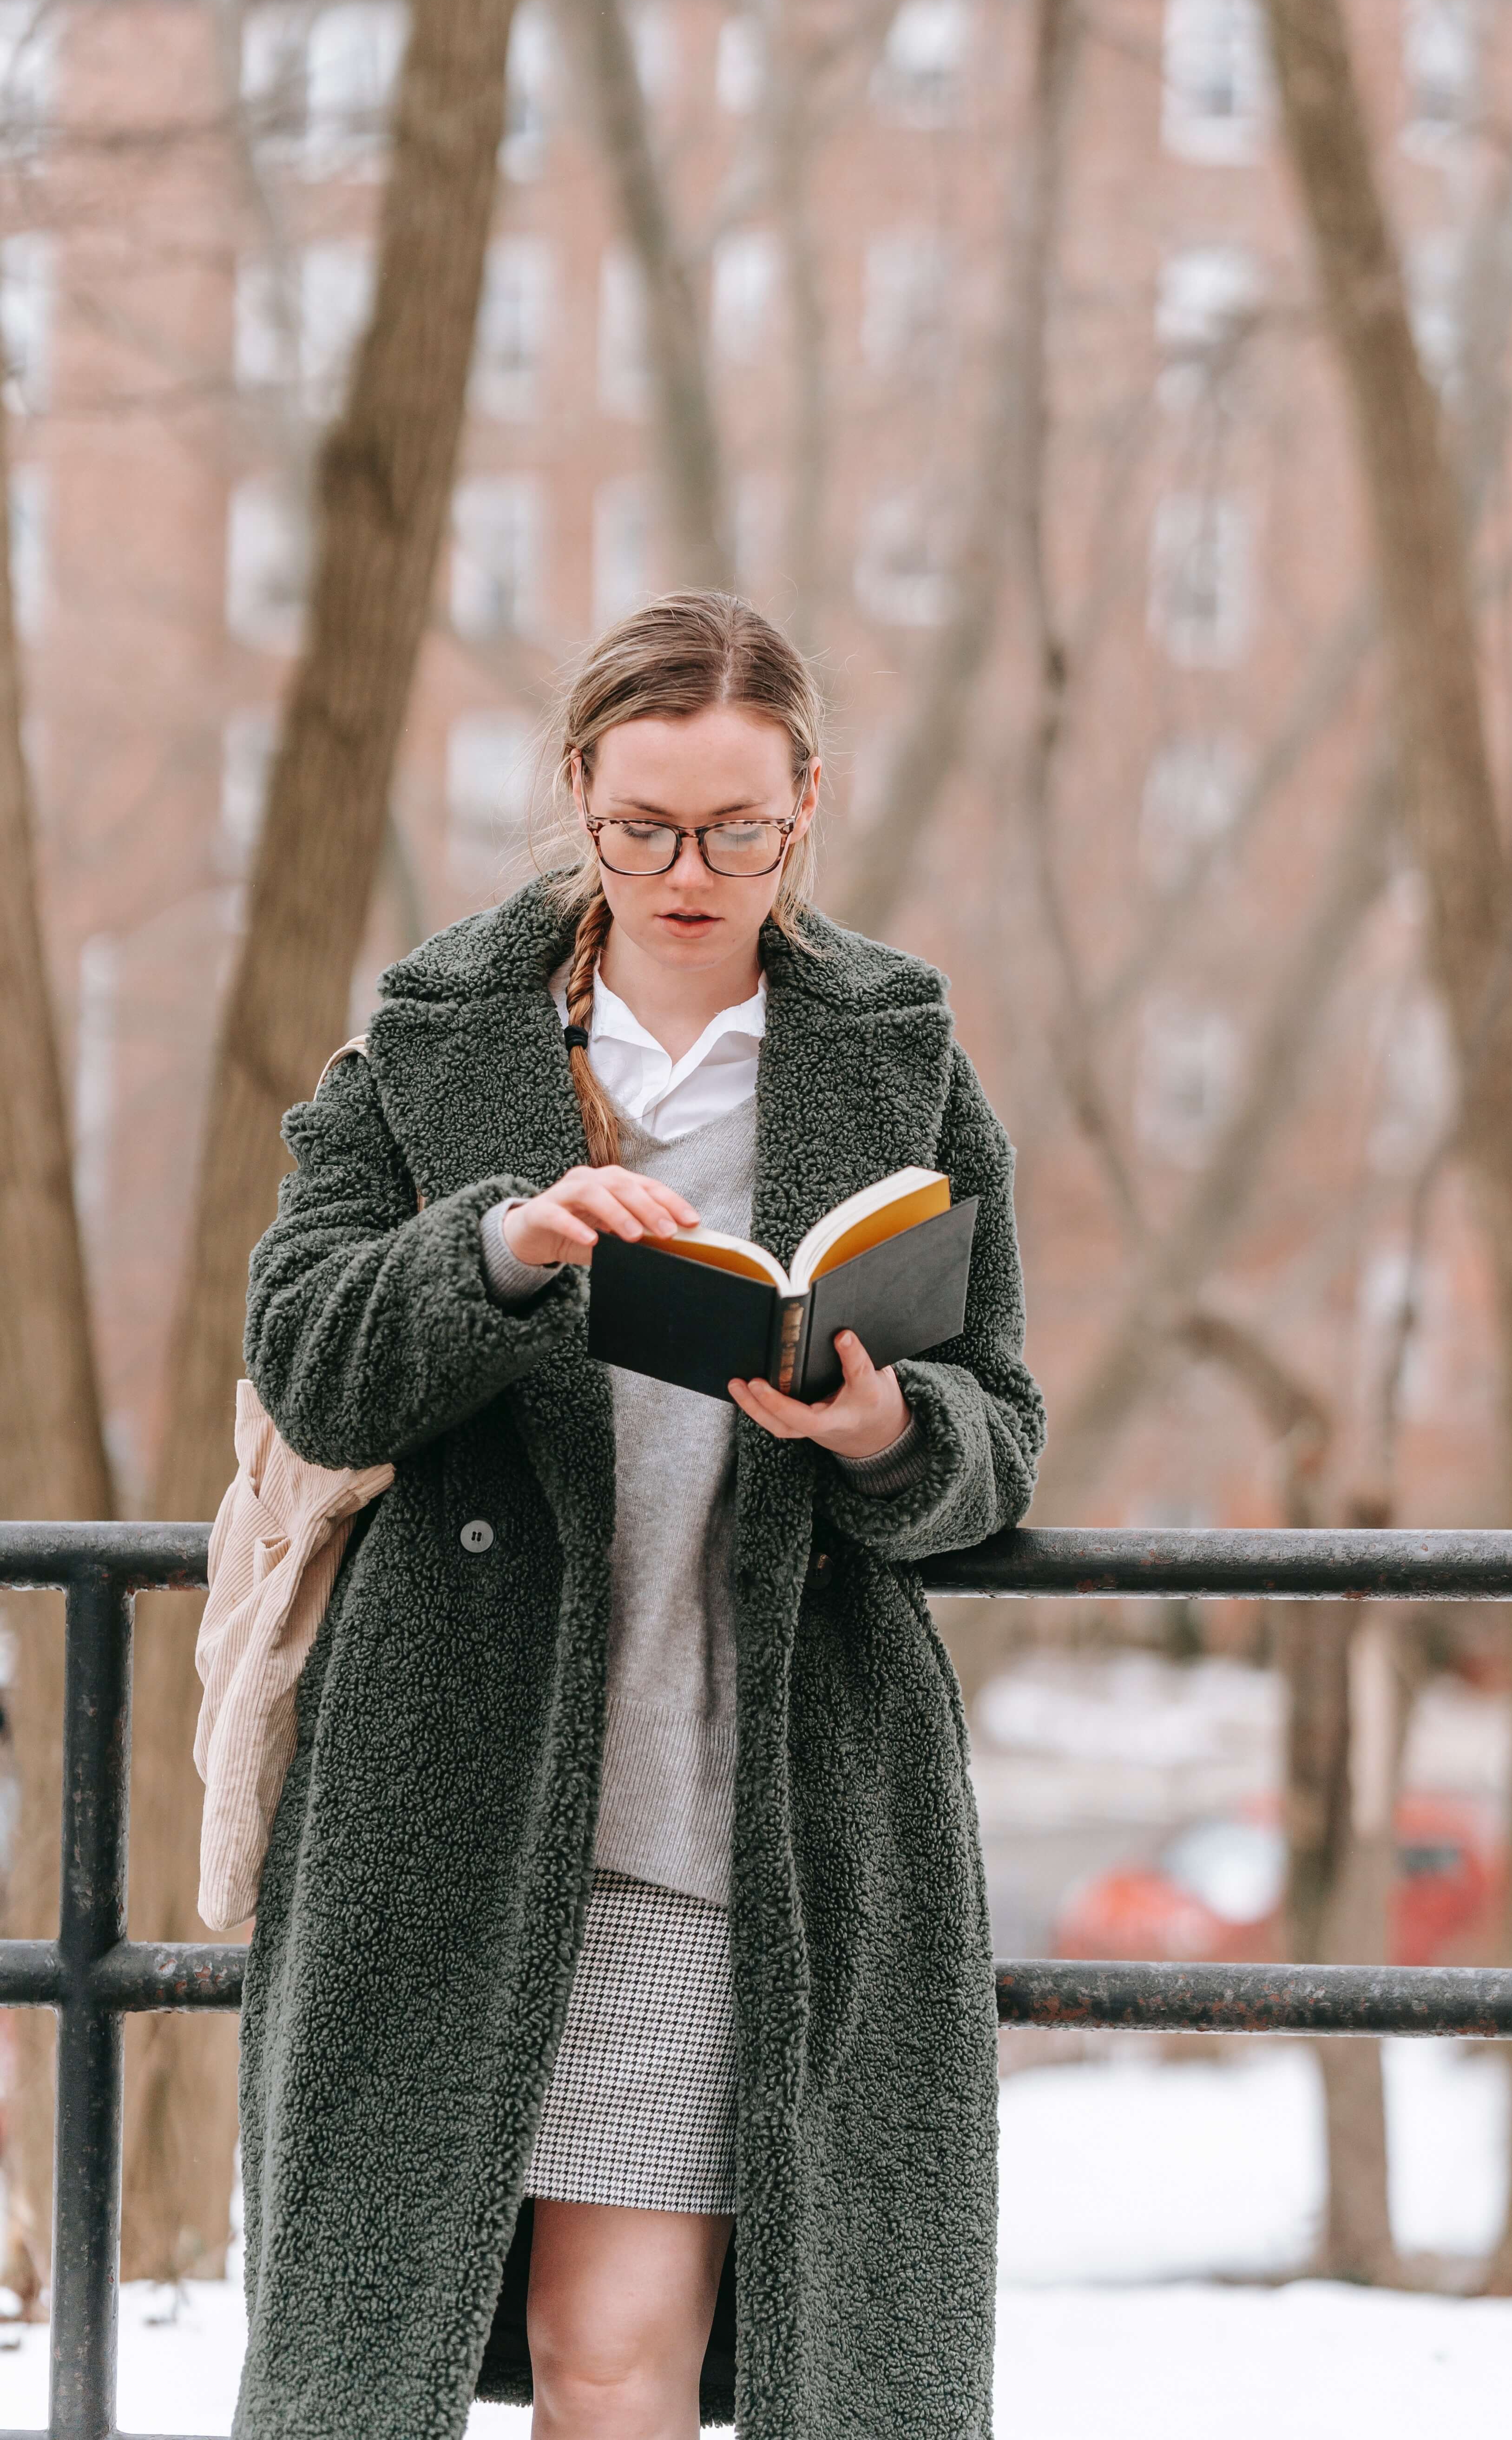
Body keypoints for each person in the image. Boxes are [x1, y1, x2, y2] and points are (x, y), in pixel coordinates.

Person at [232, 590, 1045, 2440]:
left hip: (738, 1806)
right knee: (378, 2354)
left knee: (618, 2351)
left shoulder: (899, 1070)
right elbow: (306, 1361)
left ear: (807, 804)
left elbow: (1001, 1430)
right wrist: (500, 1247)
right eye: (646, 828)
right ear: (579, 797)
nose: (693, 871)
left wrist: (882, 1428)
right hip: (452, 1806)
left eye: (739, 829)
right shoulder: (427, 1054)